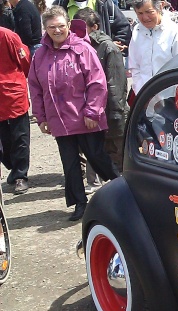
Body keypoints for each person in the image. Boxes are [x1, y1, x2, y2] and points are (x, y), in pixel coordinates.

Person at [28, 6, 119, 220]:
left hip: (85, 118)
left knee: (97, 157)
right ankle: (79, 203)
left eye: (61, 26)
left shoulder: (83, 49)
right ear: (45, 29)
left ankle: (121, 188)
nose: (57, 30)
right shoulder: (40, 54)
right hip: (58, 119)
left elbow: (97, 82)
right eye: (52, 27)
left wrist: (93, 112)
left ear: (68, 25)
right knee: (69, 164)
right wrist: (41, 117)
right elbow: (35, 87)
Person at [74, 8, 128, 179]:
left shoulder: (108, 47)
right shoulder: (76, 46)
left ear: (95, 27)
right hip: (92, 111)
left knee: (119, 156)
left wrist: (115, 113)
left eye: (83, 29)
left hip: (111, 111)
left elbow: (116, 84)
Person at [128, 0, 178, 94]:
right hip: (144, 97)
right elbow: (135, 67)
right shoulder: (137, 32)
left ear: (160, 6)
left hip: (170, 98)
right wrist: (140, 91)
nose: (145, 17)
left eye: (149, 12)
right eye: (140, 13)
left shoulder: (176, 33)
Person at [0, 26, 31, 194]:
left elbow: (25, 61)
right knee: (4, 142)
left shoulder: (8, 36)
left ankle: (20, 176)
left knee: (20, 137)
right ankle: (13, 168)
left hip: (13, 94)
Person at [51, 0, 132, 51]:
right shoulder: (59, 4)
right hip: (70, 58)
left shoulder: (104, 3)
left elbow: (124, 27)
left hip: (101, 59)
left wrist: (110, 46)